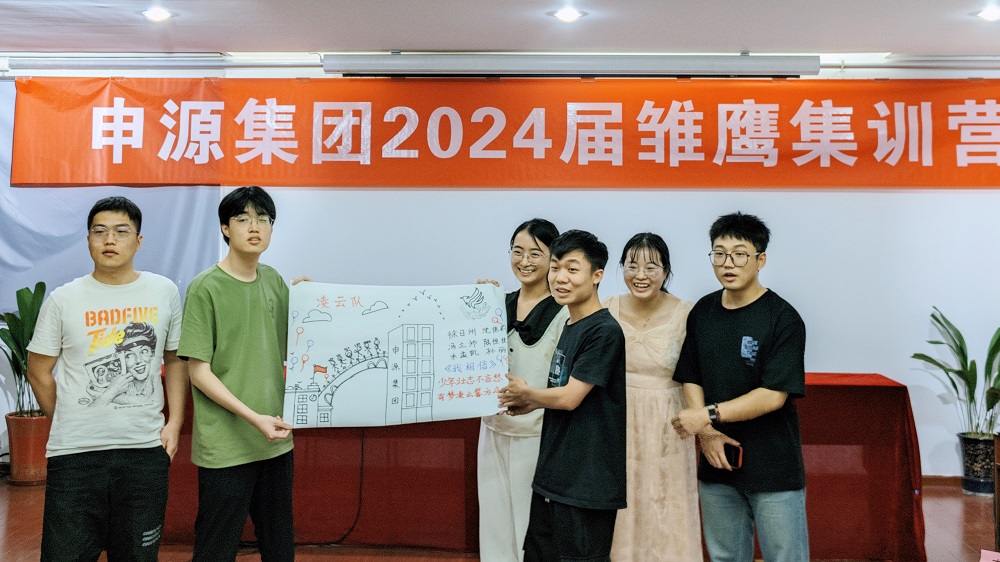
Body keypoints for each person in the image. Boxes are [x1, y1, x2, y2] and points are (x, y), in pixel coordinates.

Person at [26, 196, 187, 561]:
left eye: (121, 231)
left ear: (139, 241)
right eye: (99, 231)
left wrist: (175, 422)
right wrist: (68, 418)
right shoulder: (64, 299)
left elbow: (175, 359)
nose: (109, 240)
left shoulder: (164, 291)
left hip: (144, 453)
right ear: (88, 240)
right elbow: (38, 371)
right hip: (75, 457)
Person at [671, 212, 809, 562]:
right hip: (717, 464)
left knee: (785, 557)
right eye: (719, 253)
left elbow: (773, 395)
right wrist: (707, 434)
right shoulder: (703, 311)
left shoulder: (783, 318)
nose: (727, 263)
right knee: (724, 557)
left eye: (739, 254)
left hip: (773, 465)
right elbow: (691, 375)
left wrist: (707, 416)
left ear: (760, 260)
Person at [177, 186, 296, 562]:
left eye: (263, 219)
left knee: (279, 544)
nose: (254, 226)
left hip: (275, 438)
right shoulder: (205, 287)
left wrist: (310, 302)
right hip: (226, 445)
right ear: (225, 228)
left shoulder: (274, 280)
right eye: (243, 219)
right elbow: (198, 372)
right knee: (216, 547)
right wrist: (253, 418)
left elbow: (296, 347)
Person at [499, 229, 627, 562]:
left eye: (572, 269)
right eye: (555, 268)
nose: (560, 278)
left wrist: (529, 394)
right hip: (553, 476)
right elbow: (559, 392)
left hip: (586, 484)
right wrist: (528, 402)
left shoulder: (604, 331)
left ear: (597, 275)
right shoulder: (571, 324)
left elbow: (571, 397)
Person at [603, 233, 702, 561]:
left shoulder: (687, 313)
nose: (640, 275)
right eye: (632, 266)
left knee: (666, 501)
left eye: (651, 267)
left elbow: (697, 373)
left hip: (668, 423)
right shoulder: (606, 308)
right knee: (621, 503)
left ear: (666, 271)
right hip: (616, 419)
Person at [477, 219, 569, 562]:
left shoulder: (564, 311)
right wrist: (474, 303)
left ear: (553, 258)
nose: (525, 261)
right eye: (518, 252)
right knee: (494, 525)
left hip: (538, 434)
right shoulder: (496, 303)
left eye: (535, 253)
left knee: (529, 528)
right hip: (492, 429)